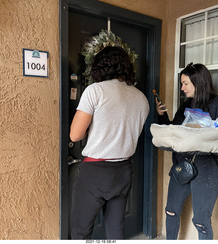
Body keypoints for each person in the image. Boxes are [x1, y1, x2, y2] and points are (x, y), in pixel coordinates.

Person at [70, 46, 149, 239]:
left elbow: (75, 135)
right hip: (123, 171)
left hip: (95, 171)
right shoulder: (142, 99)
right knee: (115, 229)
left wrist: (93, 128)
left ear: (99, 66)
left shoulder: (95, 91)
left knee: (81, 231)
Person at [155, 62, 218, 240]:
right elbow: (175, 134)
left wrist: (202, 145)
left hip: (207, 172)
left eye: (185, 83)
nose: (182, 88)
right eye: (181, 83)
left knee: (201, 221)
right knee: (171, 211)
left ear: (198, 82)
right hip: (181, 168)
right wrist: (161, 116)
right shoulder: (185, 106)